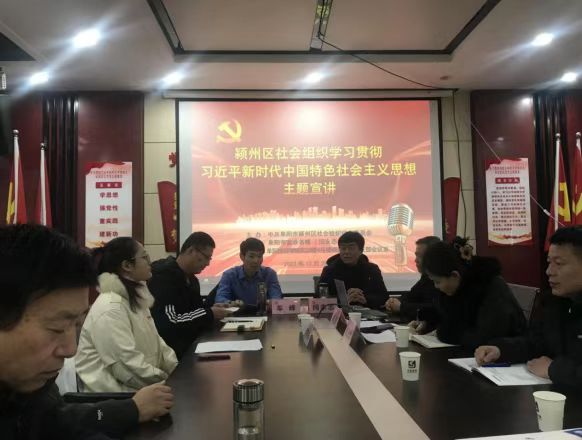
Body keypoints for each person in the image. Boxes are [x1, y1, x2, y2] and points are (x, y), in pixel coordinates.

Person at [0, 224, 173, 440]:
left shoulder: (32, 390)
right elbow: (124, 363)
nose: (71, 350)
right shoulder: (110, 307)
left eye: (77, 325)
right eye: (56, 328)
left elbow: (61, 426)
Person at [475, 227, 582, 386]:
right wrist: (500, 350)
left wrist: (554, 369)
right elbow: (536, 343)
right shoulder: (557, 302)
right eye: (549, 262)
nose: (549, 271)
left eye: (559, 263)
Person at [76, 237, 178, 392]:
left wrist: (177, 370)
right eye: (144, 257)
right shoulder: (111, 308)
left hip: (142, 390)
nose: (150, 262)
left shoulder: (135, 299)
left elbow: (159, 346)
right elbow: (126, 366)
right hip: (114, 397)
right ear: (127, 266)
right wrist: (168, 381)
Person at [415, 241, 526, 350]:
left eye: (438, 282)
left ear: (455, 275)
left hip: (506, 354)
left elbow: (484, 337)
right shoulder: (457, 287)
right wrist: (429, 323)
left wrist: (444, 333)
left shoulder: (490, 286)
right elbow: (447, 317)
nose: (436, 286)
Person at [149, 232, 231, 359]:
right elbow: (170, 322)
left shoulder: (192, 280)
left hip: (194, 347)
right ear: (191, 250)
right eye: (206, 257)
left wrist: (212, 310)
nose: (208, 263)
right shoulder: (163, 277)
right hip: (172, 354)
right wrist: (210, 313)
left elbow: (195, 312)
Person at [318, 231, 389, 309]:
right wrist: (343, 300)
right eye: (343, 248)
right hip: (339, 313)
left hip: (368, 312)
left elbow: (384, 297)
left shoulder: (372, 269)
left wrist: (365, 299)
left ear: (361, 251)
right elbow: (318, 298)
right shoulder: (329, 270)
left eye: (351, 248)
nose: (346, 252)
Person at [385, 236, 442, 322]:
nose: (416, 260)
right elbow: (411, 295)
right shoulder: (426, 277)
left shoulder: (442, 279)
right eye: (416, 255)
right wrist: (393, 301)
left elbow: (434, 308)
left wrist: (401, 307)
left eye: (420, 256)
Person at [215, 238, 283, 305]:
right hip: (237, 312)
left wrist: (272, 302)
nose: (256, 261)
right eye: (251, 256)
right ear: (242, 256)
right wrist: (231, 303)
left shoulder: (269, 274)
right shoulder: (229, 275)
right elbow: (220, 299)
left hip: (263, 312)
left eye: (259, 256)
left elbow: (276, 297)